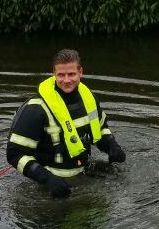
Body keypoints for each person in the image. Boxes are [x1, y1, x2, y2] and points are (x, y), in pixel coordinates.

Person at [7, 49, 125, 198]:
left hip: (83, 174)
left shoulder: (89, 99)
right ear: (54, 74)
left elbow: (100, 129)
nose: (67, 80)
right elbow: (15, 154)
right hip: (48, 185)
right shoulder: (36, 108)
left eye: (71, 74)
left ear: (80, 72)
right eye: (61, 75)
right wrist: (47, 179)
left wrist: (112, 146)